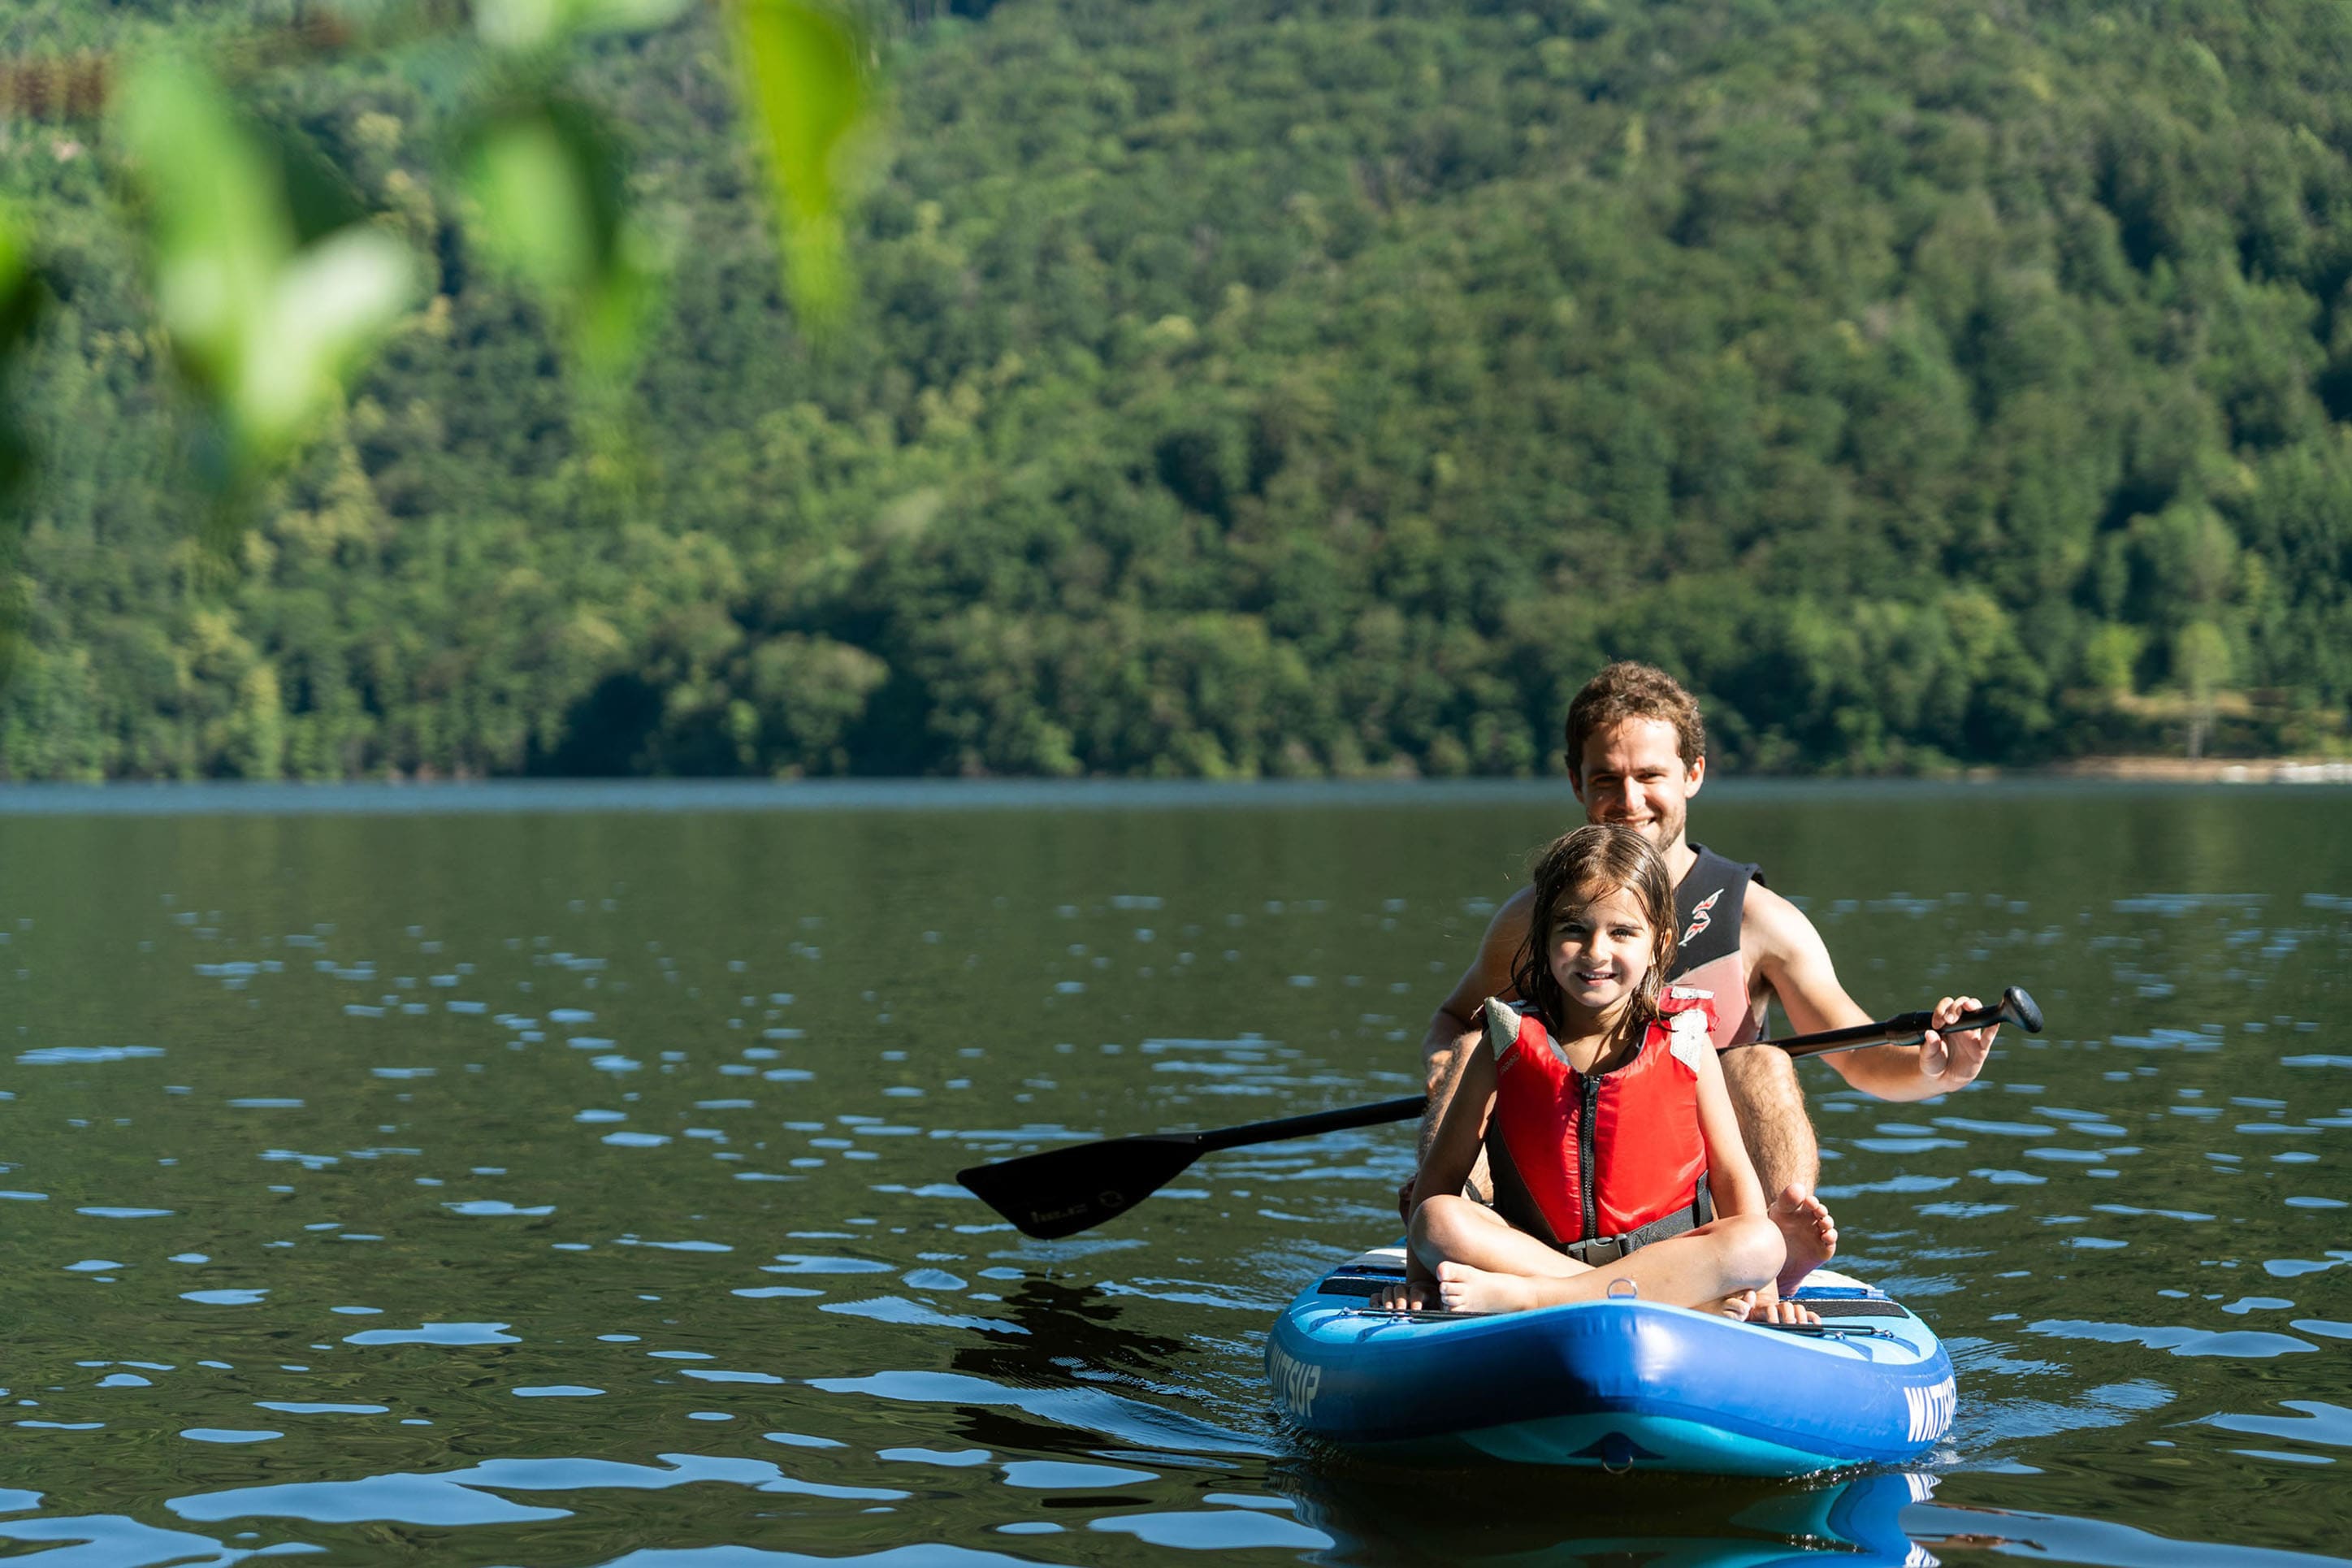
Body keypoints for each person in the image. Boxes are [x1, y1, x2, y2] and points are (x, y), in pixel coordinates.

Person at [1407, 662, 2002, 1294]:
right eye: (1606, 777)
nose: (1628, 801)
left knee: (1761, 1062)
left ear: (1692, 774)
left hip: (1692, 1214)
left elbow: (1855, 1055)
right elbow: (1452, 1021)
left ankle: (1767, 1276)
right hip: (1543, 1203)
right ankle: (1454, 1245)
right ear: (1575, 781)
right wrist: (1452, 1075)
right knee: (1475, 1047)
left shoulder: (1759, 921)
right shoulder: (1535, 918)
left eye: (1649, 776)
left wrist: (1941, 1070)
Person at [1390, 825, 1831, 1319]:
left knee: (1760, 1241)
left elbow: (1732, 1175)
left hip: (1657, 1254)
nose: (1596, 951)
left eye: (1622, 932)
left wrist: (1764, 1293)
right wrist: (1418, 1280)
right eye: (1574, 929)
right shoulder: (1503, 1045)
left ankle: (1538, 1299)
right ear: (1544, 935)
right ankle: (1675, 1298)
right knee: (1436, 1220)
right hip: (1538, 1253)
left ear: (1659, 945)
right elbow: (1440, 1179)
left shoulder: (1687, 1039)